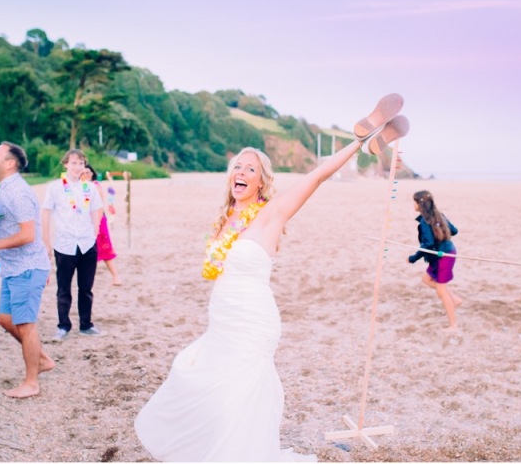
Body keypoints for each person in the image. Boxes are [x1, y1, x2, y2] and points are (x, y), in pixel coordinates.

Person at [134, 95, 409, 461]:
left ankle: (370, 136)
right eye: (237, 167)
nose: (241, 174)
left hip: (252, 323)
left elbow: (318, 175)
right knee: (203, 383)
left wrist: (358, 141)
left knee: (238, 396)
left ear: (262, 182)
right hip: (221, 323)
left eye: (250, 169)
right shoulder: (224, 222)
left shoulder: (271, 215)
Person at [0, 142, 53, 398]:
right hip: (12, 267)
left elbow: (28, 235)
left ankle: (31, 383)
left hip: (27, 268)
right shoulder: (5, 189)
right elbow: (12, 225)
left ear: (10, 163)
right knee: (4, 319)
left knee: (26, 325)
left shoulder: (17, 193)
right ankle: (43, 359)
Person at [42, 150, 105, 340]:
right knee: (64, 288)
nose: (78, 167)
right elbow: (45, 213)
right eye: (74, 163)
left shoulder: (90, 188)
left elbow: (97, 209)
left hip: (87, 243)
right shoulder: (55, 187)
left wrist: (95, 231)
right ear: (66, 164)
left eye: (81, 163)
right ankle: (63, 325)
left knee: (86, 287)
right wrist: (47, 241)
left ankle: (86, 324)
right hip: (65, 243)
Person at [408, 190, 462, 330]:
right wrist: (441, 231)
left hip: (444, 257)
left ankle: (453, 325)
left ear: (420, 204)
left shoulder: (426, 221)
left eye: (414, 201)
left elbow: (427, 244)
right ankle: (455, 300)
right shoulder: (438, 215)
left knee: (441, 291)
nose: (412, 204)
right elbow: (454, 231)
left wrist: (413, 258)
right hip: (442, 254)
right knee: (427, 279)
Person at [81, 165, 122, 285]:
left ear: (92, 173)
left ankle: (116, 276)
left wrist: (97, 224)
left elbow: (98, 204)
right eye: (83, 173)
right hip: (83, 220)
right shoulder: (79, 186)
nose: (86, 175)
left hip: (97, 219)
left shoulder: (95, 185)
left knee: (104, 248)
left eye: (88, 172)